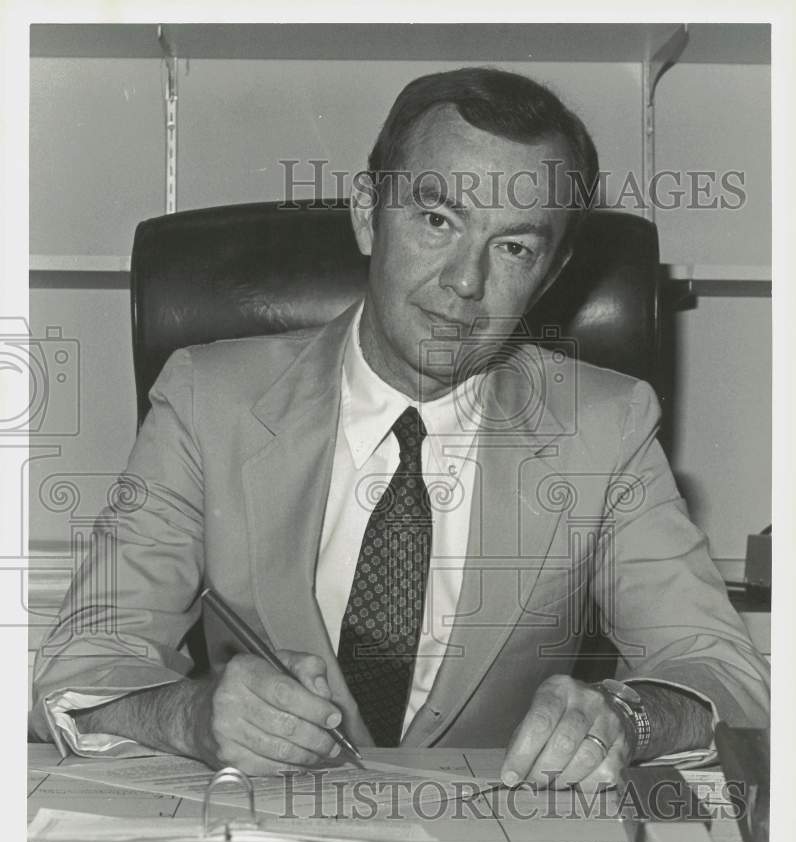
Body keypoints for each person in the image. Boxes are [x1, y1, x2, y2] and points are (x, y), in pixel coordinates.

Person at [31, 67, 769, 790]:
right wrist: (191, 716)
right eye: (437, 219)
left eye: (514, 246)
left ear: (550, 273)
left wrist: (626, 715)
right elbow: (75, 669)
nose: (465, 281)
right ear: (366, 213)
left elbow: (730, 677)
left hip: (492, 841)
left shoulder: (607, 427)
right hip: (261, 836)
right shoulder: (206, 400)